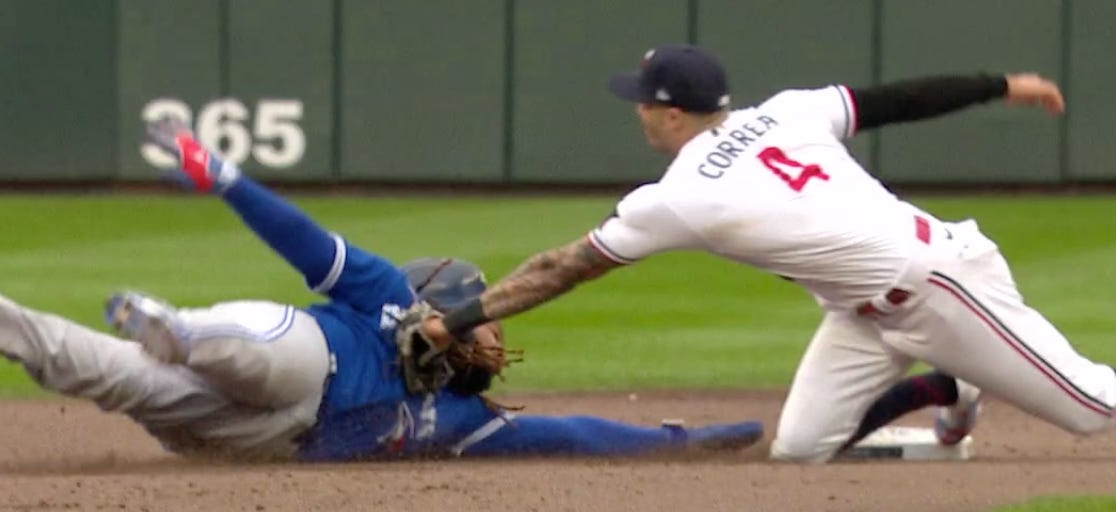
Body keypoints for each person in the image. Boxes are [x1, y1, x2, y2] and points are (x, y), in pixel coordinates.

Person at [0, 118, 764, 462]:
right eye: (477, 315)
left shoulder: (470, 422)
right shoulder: (387, 295)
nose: (490, 338)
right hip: (302, 361)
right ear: (440, 301)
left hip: (259, 440)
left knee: (110, 376)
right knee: (266, 345)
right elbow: (306, 242)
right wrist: (229, 180)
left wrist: (677, 437)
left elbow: (572, 433)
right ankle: (174, 327)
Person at [411, 43, 1114, 463]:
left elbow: (560, 267)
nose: (637, 110)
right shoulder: (789, 109)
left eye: (643, 102)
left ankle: (964, 370)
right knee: (802, 450)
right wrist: (1001, 85)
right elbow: (896, 99)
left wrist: (453, 322)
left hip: (941, 284)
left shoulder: (683, 194)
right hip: (863, 312)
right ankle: (951, 386)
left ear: (672, 113)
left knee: (1090, 406)